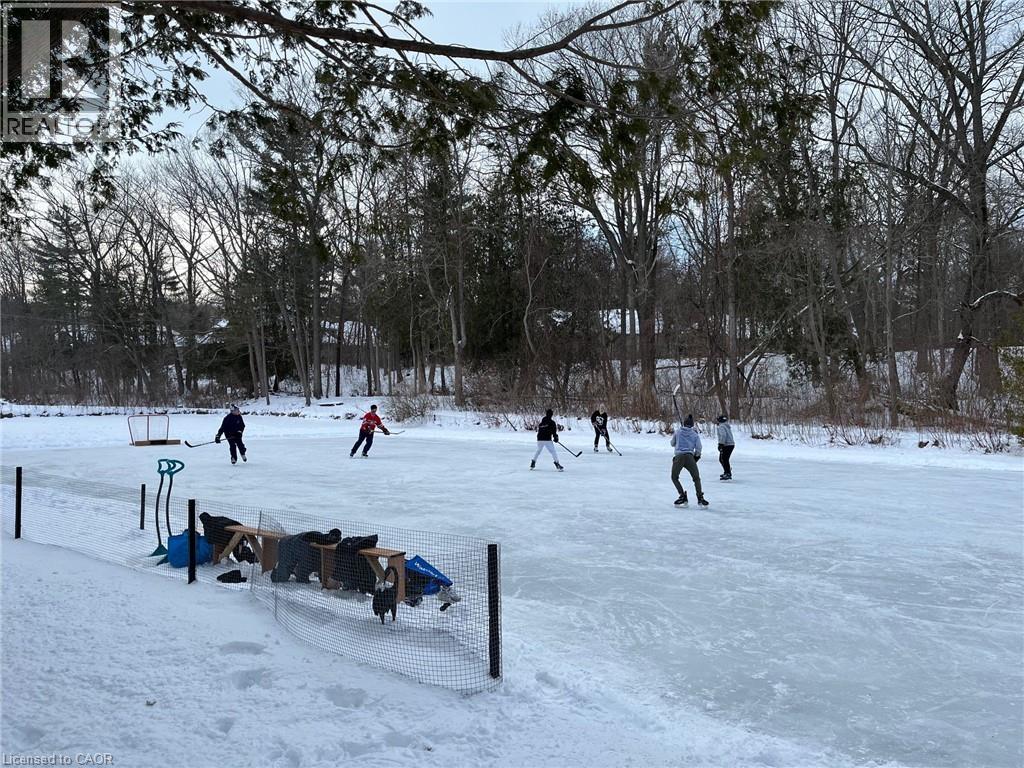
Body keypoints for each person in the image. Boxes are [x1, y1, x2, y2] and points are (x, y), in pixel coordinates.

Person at [670, 414, 708, 507]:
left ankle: (682, 495)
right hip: (690, 457)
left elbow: (672, 443)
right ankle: (700, 498)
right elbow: (699, 448)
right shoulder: (694, 434)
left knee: (674, 477)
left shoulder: (678, 432)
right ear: (692, 425)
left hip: (679, 457)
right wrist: (696, 456)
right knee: (696, 478)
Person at [716, 414, 735, 480]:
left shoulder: (721, 426)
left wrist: (721, 444)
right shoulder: (726, 426)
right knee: (723, 459)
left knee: (724, 459)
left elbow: (723, 436)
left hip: (727, 445)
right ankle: (727, 471)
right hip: (730, 444)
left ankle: (728, 473)